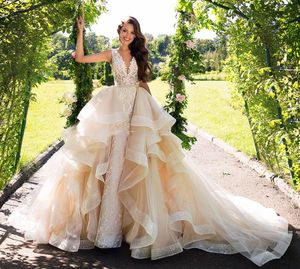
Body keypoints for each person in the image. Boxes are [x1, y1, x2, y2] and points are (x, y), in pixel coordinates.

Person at [7, 16, 292, 267]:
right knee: (112, 169)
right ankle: (107, 232)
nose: (126, 35)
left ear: (136, 35)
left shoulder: (141, 57)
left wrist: (155, 118)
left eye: (131, 32)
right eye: (123, 31)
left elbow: (143, 86)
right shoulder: (111, 54)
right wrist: (80, 32)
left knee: (138, 171)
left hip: (138, 115)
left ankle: (133, 230)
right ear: (119, 32)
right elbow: (80, 58)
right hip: (114, 115)